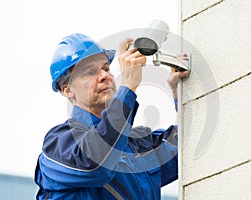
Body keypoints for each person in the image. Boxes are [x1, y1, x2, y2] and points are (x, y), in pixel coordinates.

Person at [34, 33, 188, 200]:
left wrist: (180, 94)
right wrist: (128, 86)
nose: (104, 76)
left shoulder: (137, 145)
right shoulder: (59, 145)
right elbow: (96, 165)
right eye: (90, 72)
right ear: (67, 90)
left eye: (106, 68)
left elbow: (187, 150)